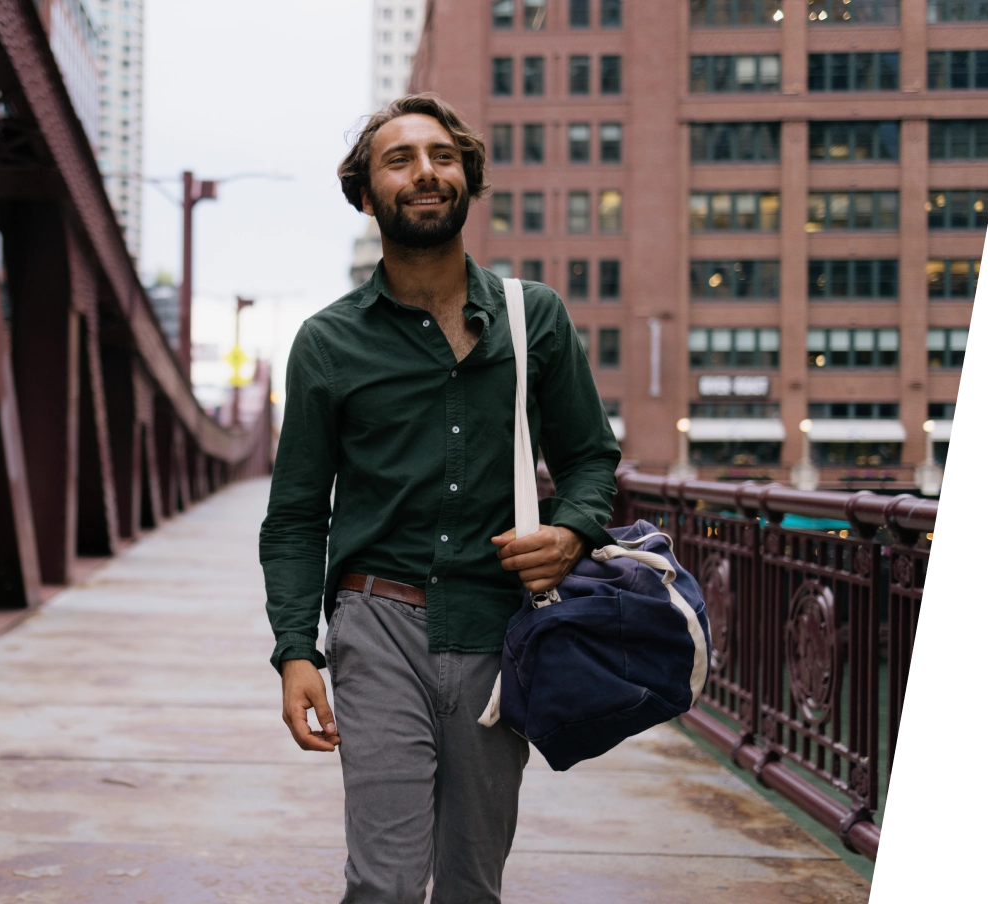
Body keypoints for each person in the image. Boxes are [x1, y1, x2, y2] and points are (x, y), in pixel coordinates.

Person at [259, 93, 621, 904]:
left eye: (443, 156)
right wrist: (294, 650)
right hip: (376, 621)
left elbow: (591, 458)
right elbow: (293, 516)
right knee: (384, 885)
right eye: (400, 159)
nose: (425, 172)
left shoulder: (536, 320)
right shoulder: (328, 341)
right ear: (365, 194)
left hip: (502, 631)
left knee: (471, 885)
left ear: (467, 180)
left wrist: (571, 531)